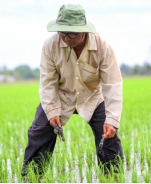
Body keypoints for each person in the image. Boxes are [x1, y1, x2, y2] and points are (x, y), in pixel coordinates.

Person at [22, 4, 123, 177]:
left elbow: (112, 84)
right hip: (61, 97)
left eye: (72, 33)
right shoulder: (50, 46)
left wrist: (112, 120)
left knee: (108, 137)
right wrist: (52, 111)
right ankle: (31, 178)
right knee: (38, 131)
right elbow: (48, 82)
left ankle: (113, 177)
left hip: (92, 97)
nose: (66, 38)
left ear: (83, 31)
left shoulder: (103, 47)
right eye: (62, 33)